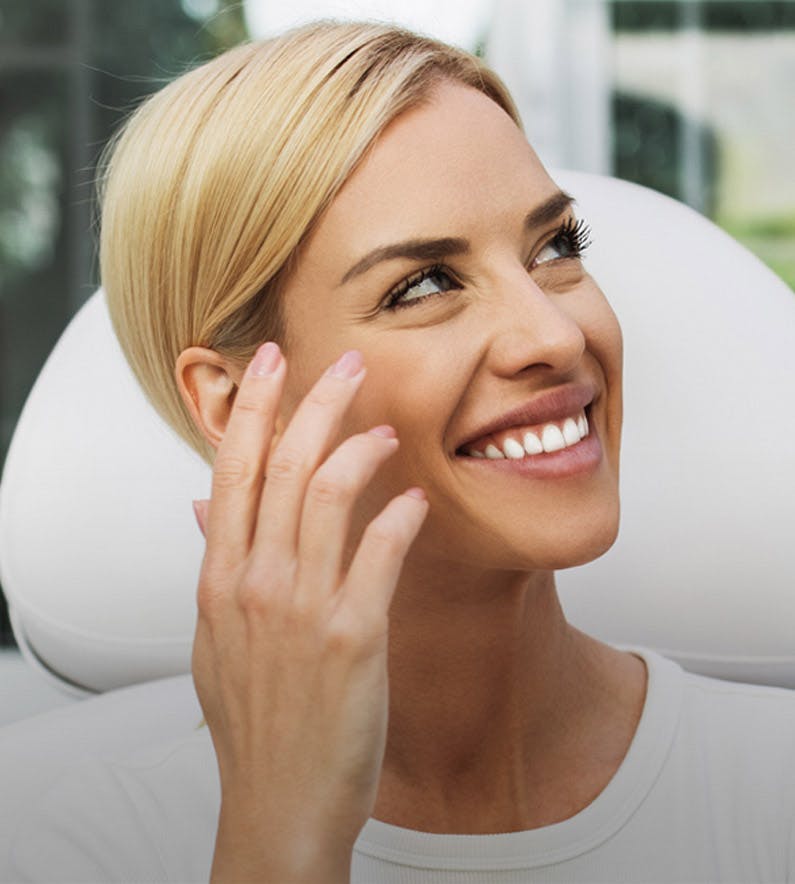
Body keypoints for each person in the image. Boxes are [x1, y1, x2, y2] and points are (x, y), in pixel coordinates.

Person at [5, 18, 795, 884]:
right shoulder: (79, 847)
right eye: (422, 285)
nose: (553, 334)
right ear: (235, 404)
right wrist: (281, 839)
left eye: (555, 248)